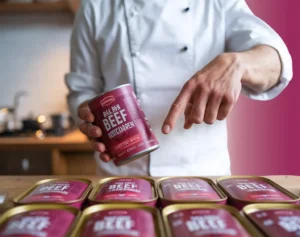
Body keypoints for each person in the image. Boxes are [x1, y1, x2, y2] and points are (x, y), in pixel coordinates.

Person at [65, 0, 292, 177]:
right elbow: (81, 90)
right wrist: (88, 117)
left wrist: (238, 64)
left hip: (203, 174)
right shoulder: (95, 6)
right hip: (124, 175)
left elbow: (278, 63)